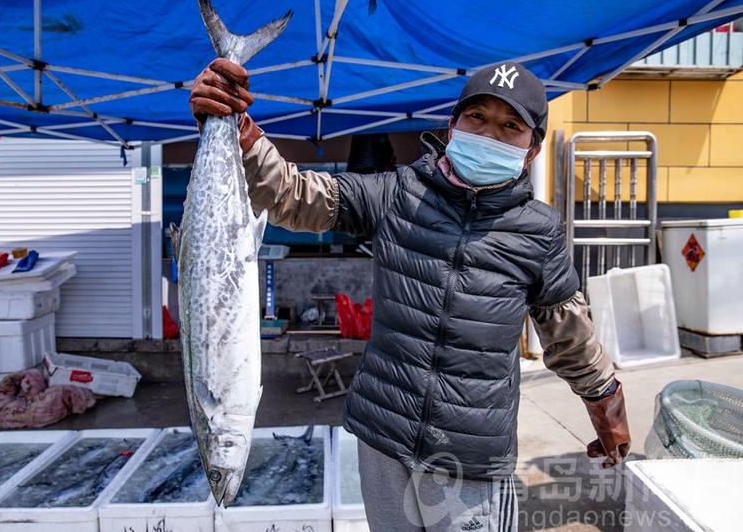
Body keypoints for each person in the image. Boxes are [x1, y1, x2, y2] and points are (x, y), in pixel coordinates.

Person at [190, 59, 631, 532]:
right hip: (383, 440)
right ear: (452, 124)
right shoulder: (399, 194)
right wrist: (240, 131)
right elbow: (293, 195)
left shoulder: (539, 231)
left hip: (470, 456)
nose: (489, 135)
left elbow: (569, 334)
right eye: (477, 117)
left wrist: (606, 403)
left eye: (510, 126)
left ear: (531, 150)